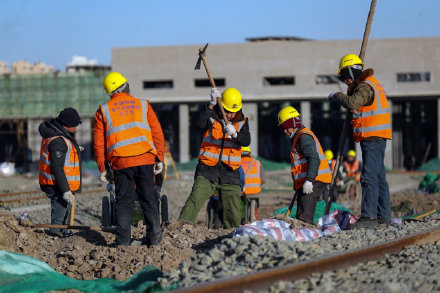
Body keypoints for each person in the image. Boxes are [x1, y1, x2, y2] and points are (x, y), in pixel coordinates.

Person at [94, 72, 165, 246]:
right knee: (148, 199)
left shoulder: (103, 110)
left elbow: (98, 142)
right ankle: (155, 238)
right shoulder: (143, 105)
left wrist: (103, 167)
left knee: (124, 203)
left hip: (121, 163)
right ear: (125, 86)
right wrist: (159, 158)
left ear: (110, 92)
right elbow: (157, 133)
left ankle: (123, 242)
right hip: (145, 159)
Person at [328, 54, 392, 228]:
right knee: (379, 178)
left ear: (352, 71)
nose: (345, 80)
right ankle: (384, 217)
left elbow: (353, 103)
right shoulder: (371, 83)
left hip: (372, 137)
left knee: (369, 177)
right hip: (377, 136)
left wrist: (337, 96)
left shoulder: (365, 86)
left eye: (345, 75)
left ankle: (369, 218)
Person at [179, 87, 251, 229]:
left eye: (233, 111)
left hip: (230, 173)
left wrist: (236, 134)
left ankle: (233, 236)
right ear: (221, 105)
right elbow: (199, 123)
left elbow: (246, 141)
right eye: (227, 110)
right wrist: (210, 104)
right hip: (207, 170)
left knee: (234, 210)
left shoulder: (242, 122)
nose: (230, 114)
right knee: (194, 200)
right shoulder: (211, 115)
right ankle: (179, 229)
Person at [278, 106, 332, 224]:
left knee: (304, 217)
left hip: (313, 181)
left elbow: (314, 159)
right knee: (301, 214)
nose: (285, 131)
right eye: (283, 128)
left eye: (286, 128)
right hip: (307, 181)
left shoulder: (304, 137)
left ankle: (305, 237)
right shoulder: (298, 137)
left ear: (294, 124)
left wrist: (309, 180)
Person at [39, 107, 82, 237]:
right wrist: (65, 190)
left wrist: (74, 150)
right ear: (65, 125)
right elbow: (57, 168)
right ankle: (55, 235)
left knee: (66, 212)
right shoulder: (57, 141)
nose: (76, 128)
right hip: (57, 184)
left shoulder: (59, 135)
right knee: (59, 214)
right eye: (73, 125)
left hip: (61, 184)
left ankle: (65, 233)